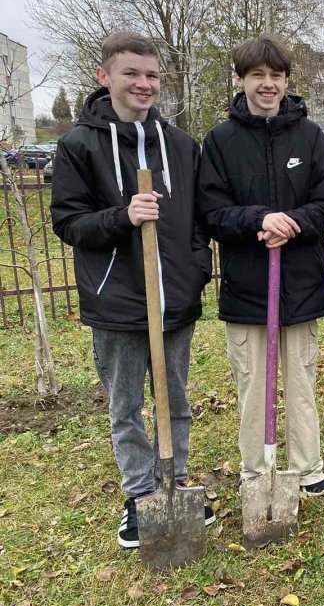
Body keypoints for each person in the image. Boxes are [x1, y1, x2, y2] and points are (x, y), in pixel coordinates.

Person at [51, 31, 215, 549]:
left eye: (151, 75)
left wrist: (195, 269)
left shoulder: (182, 145)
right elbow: (68, 221)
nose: (144, 84)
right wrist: (123, 216)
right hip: (117, 301)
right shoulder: (79, 144)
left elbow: (196, 220)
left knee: (177, 399)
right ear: (104, 77)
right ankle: (139, 493)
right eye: (132, 74)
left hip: (175, 299)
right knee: (126, 406)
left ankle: (176, 480)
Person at [197, 34, 324, 497]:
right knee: (252, 382)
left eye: (275, 76)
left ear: (285, 81)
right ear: (240, 80)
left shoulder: (311, 136)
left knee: (300, 378)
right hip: (247, 286)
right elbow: (212, 212)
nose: (267, 84)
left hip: (300, 284)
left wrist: (291, 223)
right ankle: (256, 471)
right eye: (257, 75)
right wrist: (259, 218)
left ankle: (306, 466)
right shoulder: (220, 141)